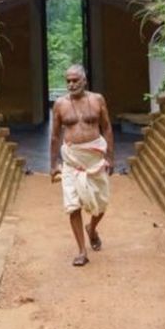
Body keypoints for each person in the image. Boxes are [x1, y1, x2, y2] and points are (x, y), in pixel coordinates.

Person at [49, 64, 114, 266]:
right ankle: (81, 251)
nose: (71, 84)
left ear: (84, 80)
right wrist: (53, 164)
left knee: (101, 204)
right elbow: (54, 135)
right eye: (68, 80)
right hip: (72, 161)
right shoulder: (60, 104)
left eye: (75, 80)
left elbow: (107, 128)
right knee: (73, 205)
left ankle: (92, 229)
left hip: (95, 158)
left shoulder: (97, 99)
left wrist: (110, 157)